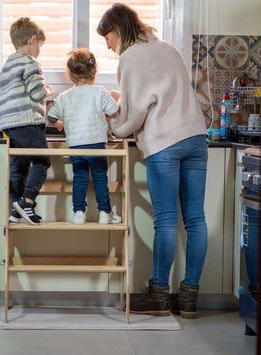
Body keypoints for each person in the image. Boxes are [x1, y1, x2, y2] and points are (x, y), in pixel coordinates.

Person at [97, 3, 209, 318]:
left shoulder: (130, 57)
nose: (108, 45)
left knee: (165, 220)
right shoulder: (168, 48)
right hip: (196, 137)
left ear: (117, 30)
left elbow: (132, 116)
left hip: (166, 143)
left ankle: (159, 295)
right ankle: (189, 298)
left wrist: (112, 126)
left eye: (107, 37)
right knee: (196, 221)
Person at [47, 49, 122, 225]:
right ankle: (105, 212)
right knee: (100, 177)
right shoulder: (99, 92)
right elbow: (113, 110)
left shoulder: (65, 96)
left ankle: (78, 212)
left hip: (75, 144)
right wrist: (104, 114)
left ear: (70, 75)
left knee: (79, 177)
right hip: (96, 143)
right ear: (94, 72)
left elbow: (50, 117)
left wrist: (61, 123)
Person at [0, 17, 54, 225]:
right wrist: (48, 90)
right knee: (42, 160)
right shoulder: (30, 62)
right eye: (40, 45)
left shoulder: (6, 67)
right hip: (28, 122)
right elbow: (37, 93)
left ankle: (16, 208)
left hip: (10, 126)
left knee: (18, 167)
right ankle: (27, 201)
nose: (39, 50)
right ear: (33, 40)